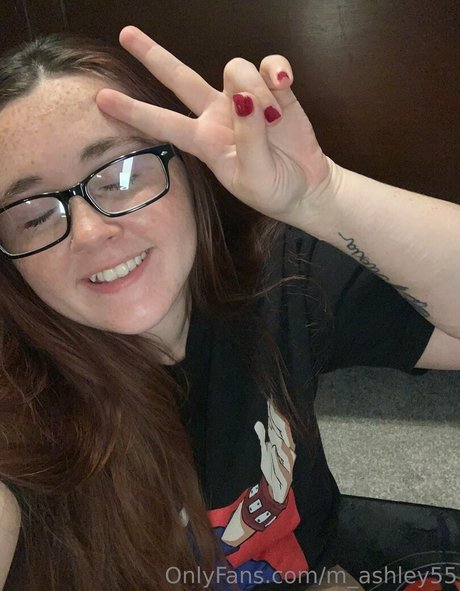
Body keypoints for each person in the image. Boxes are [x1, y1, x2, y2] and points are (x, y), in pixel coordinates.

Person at [0, 24, 458, 591]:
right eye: (34, 215)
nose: (91, 232)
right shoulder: (19, 410)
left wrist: (325, 197)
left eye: (120, 175)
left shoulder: (276, 283)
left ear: (188, 167)